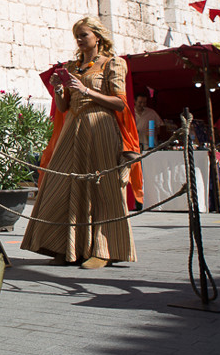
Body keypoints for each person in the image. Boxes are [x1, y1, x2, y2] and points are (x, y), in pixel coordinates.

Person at [21, 16, 137, 269]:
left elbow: (120, 103)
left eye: (84, 35)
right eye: (77, 36)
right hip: (72, 126)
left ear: (98, 36)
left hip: (100, 126)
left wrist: (86, 91)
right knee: (60, 183)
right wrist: (60, 90)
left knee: (102, 187)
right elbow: (63, 107)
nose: (80, 40)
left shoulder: (112, 64)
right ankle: (64, 245)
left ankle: (103, 249)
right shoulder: (73, 66)